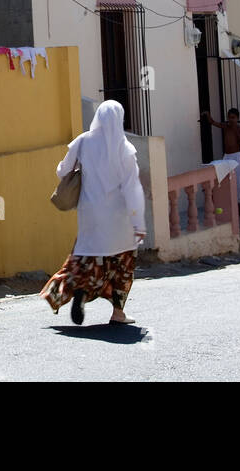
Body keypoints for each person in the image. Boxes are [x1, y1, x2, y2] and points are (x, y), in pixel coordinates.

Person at [41, 101, 147, 326]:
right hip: (120, 218)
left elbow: (62, 171)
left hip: (90, 214)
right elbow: (132, 187)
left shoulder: (82, 141)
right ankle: (118, 313)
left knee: (85, 258)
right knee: (123, 263)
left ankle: (76, 290)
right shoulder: (126, 148)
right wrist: (138, 222)